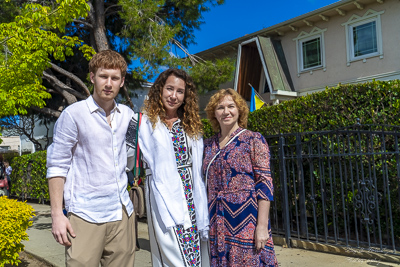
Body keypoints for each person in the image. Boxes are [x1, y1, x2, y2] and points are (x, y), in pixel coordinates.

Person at [46, 50, 136, 266]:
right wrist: (57, 214)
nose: (108, 83)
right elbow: (57, 166)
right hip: (85, 215)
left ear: (122, 82)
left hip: (121, 213)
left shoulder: (128, 116)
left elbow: (136, 155)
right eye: (103, 76)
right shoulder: (74, 114)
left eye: (115, 78)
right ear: (92, 77)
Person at [138, 68, 209, 266]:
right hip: (160, 193)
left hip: (189, 196)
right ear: (160, 89)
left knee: (192, 255)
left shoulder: (190, 125)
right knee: (169, 253)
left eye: (180, 91)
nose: (173, 96)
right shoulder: (143, 122)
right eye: (169, 89)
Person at [203, 88, 278, 266]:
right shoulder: (207, 145)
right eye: (220, 107)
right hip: (216, 222)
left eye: (231, 106)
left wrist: (261, 226)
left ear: (239, 110)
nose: (226, 111)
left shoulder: (253, 139)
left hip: (247, 222)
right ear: (214, 113)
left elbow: (265, 184)